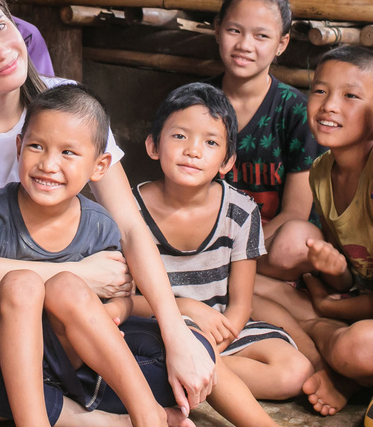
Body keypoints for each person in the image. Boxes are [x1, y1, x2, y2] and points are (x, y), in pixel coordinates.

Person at [0, 0, 216, 427]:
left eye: (0, 28)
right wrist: (77, 274)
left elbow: (131, 227)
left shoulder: (66, 98)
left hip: (69, 332)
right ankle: (86, 418)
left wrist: (175, 335)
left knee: (188, 352)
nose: (1, 51)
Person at [0, 84, 211, 427]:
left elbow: (124, 298)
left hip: (75, 356)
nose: (47, 164)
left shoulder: (99, 226)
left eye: (68, 153)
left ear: (99, 166)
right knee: (18, 286)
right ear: (19, 148)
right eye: (37, 146)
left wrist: (110, 316)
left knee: (68, 288)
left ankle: (147, 417)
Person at [133, 83, 312, 406]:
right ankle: (178, 366)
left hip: (220, 328)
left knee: (294, 372)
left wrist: (215, 344)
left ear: (228, 161)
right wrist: (183, 309)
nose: (193, 150)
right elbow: (123, 301)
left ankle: (185, 373)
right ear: (153, 145)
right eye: (179, 136)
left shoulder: (241, 211)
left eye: (211, 142)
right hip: (158, 328)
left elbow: (242, 303)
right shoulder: (129, 211)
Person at [255, 46, 373, 416]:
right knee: (242, 280)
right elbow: (350, 276)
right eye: (320, 91)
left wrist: (329, 303)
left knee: (359, 348)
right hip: (356, 303)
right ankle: (328, 347)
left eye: (351, 95)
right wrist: (333, 271)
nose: (329, 106)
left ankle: (335, 357)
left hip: (360, 321)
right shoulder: (322, 171)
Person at [207, 0, 324, 279]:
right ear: (218, 29)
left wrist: (238, 254)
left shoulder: (296, 111)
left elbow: (295, 212)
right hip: (209, 238)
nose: (245, 45)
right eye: (235, 30)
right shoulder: (196, 102)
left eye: (261, 36)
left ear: (281, 44)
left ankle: (223, 279)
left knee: (298, 242)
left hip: (271, 240)